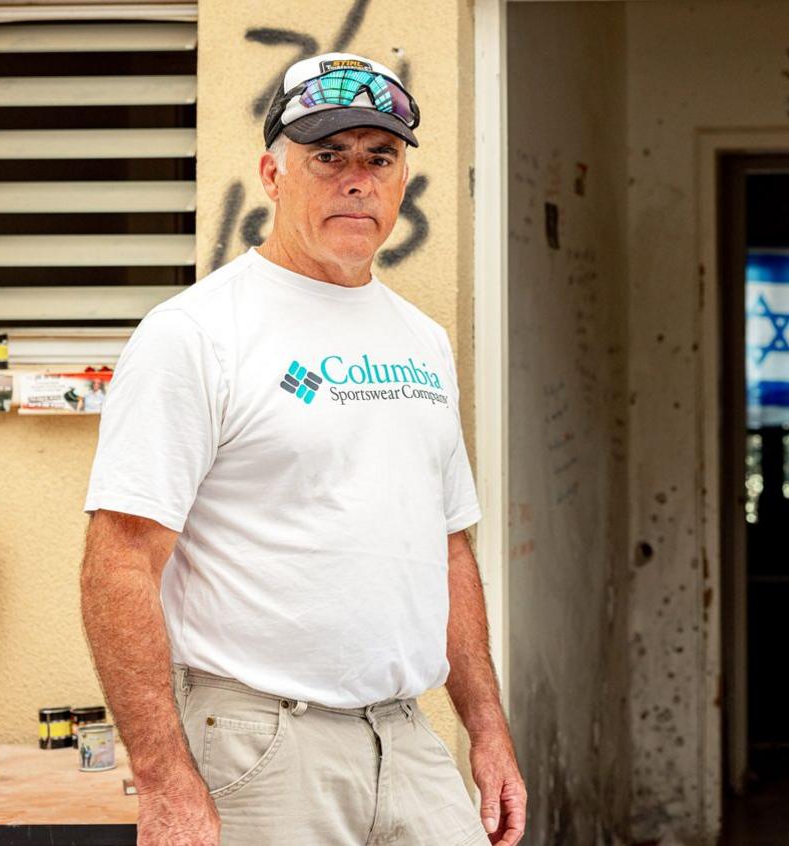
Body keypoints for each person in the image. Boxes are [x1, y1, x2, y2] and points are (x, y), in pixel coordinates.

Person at [81, 53, 525, 846]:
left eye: (379, 158)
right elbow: (119, 561)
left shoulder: (422, 342)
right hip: (261, 746)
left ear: (401, 181)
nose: (357, 179)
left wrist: (487, 731)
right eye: (329, 156)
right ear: (272, 173)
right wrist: (164, 779)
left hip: (409, 742)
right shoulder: (196, 334)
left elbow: (448, 547)